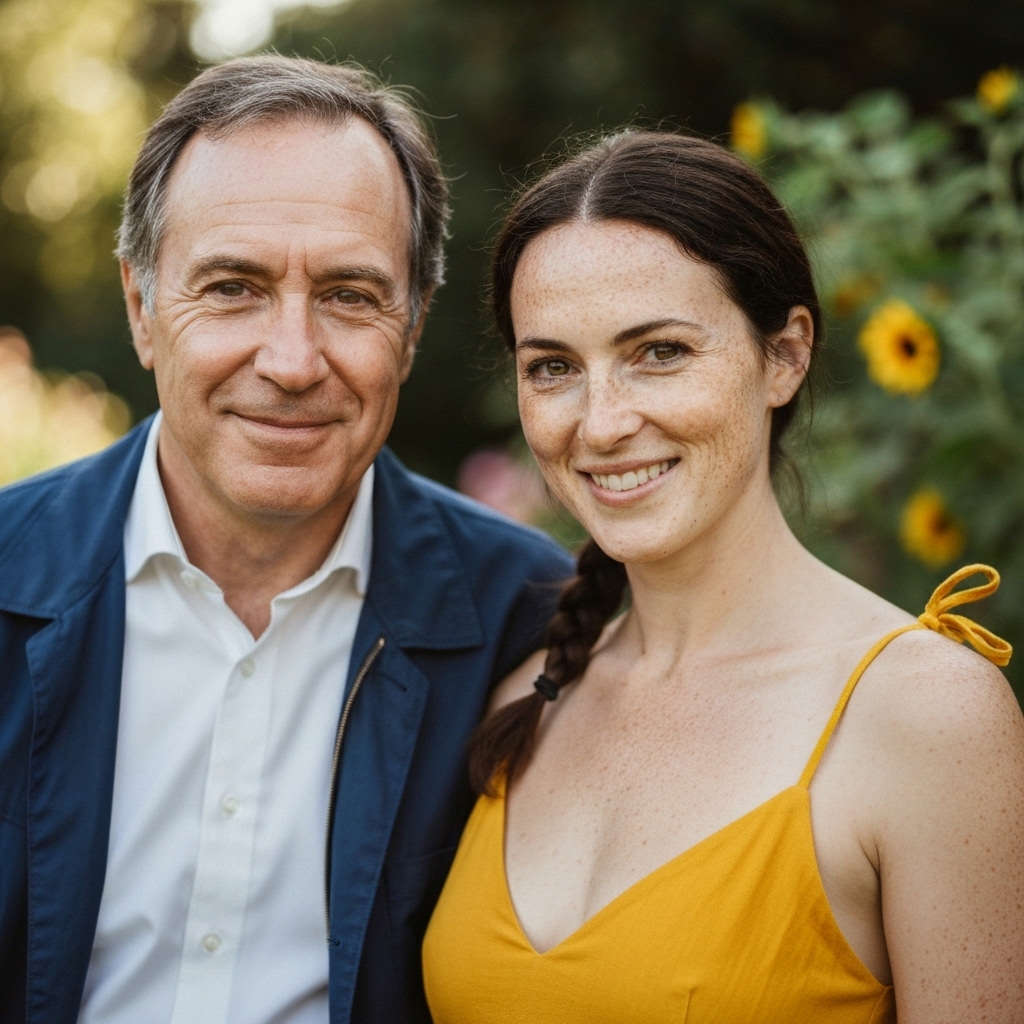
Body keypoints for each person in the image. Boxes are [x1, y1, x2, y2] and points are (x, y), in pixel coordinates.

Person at [0, 56, 572, 1024]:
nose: (294, 361)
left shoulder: (529, 624)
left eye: (351, 294)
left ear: (415, 322)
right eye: (232, 286)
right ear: (143, 309)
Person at [422, 130, 1024, 1022]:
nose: (601, 423)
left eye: (658, 351)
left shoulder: (925, 714)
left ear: (784, 355)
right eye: (553, 368)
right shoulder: (529, 691)